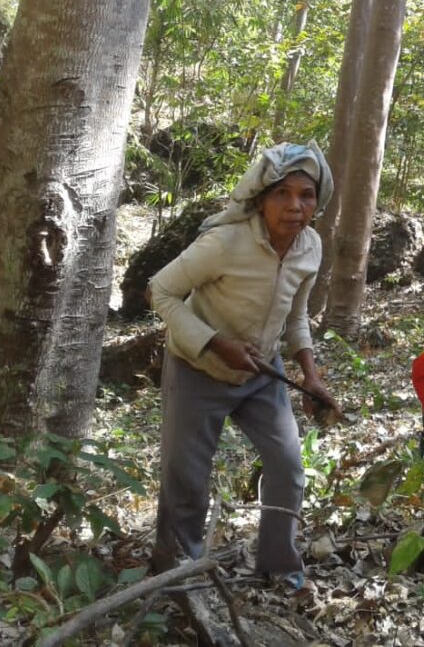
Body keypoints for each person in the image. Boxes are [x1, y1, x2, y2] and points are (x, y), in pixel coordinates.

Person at [148, 141, 339, 588]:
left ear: (317, 201)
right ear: (260, 198)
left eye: (306, 195)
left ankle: (278, 565)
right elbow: (160, 291)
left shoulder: (310, 247)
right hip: (196, 370)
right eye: (282, 194)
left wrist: (310, 376)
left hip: (260, 374)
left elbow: (296, 315)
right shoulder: (225, 242)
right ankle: (179, 574)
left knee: (288, 467)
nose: (295, 206)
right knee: (187, 479)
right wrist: (214, 343)